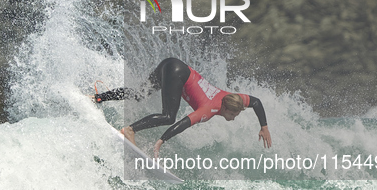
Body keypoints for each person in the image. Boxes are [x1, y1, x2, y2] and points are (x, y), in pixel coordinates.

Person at [94, 58, 272, 158]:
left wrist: (264, 126)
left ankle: (99, 97)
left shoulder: (233, 98)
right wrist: (159, 143)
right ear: (226, 109)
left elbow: (255, 102)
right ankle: (130, 130)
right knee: (168, 116)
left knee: (140, 94)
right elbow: (182, 123)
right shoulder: (209, 109)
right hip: (177, 73)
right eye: (234, 114)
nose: (235, 117)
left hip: (171, 64)